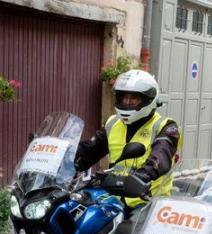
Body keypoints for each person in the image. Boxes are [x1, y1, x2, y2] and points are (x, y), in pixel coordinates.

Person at [74, 69, 181, 217]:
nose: (127, 102)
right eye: (124, 97)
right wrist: (65, 157)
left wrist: (143, 175)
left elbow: (160, 158)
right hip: (114, 198)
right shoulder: (113, 123)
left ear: (148, 99)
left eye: (134, 98)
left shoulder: (165, 127)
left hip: (148, 202)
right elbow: (91, 150)